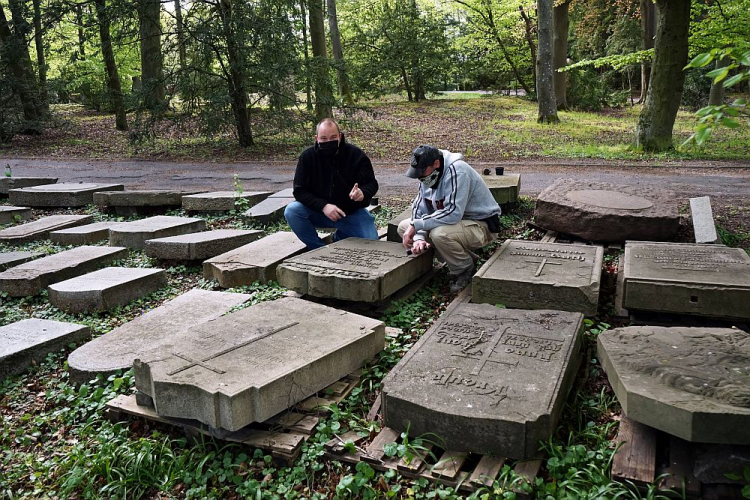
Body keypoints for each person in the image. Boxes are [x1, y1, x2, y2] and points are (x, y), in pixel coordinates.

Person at [399, 145, 502, 293]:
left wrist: (416, 225)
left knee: (439, 234)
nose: (419, 176)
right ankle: (465, 258)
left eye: (422, 171)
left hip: (481, 225)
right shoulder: (428, 177)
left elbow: (453, 213)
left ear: (436, 164)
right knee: (404, 227)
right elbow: (419, 208)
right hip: (453, 224)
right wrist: (419, 237)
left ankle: (465, 270)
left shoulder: (458, 171)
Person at [284, 118, 379, 250]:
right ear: (317, 138)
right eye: (324, 138)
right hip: (318, 211)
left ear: (340, 136)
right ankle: (318, 249)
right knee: (292, 211)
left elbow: (372, 184)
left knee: (372, 243)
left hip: (350, 213)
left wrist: (362, 193)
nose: (329, 142)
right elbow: (299, 191)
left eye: (333, 137)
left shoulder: (356, 155)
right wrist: (323, 206)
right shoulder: (307, 157)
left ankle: (340, 236)